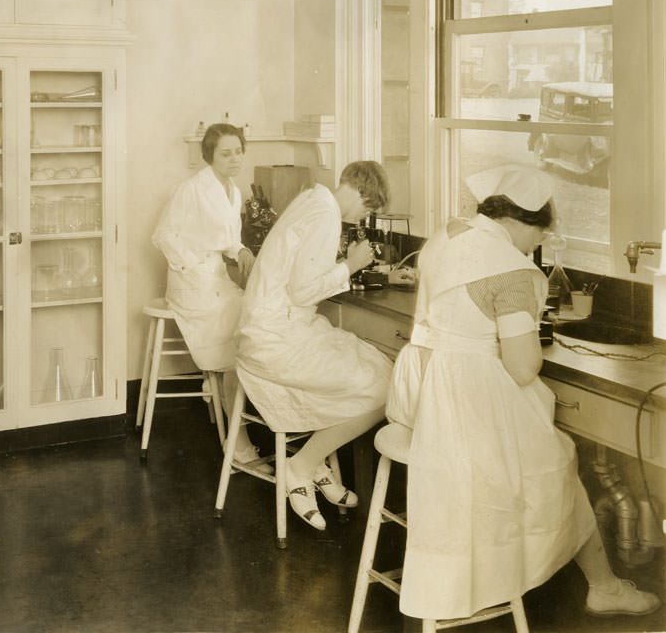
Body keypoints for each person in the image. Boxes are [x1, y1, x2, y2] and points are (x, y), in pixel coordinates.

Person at [386, 164, 661, 621]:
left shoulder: (449, 234)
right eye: (538, 237)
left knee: (548, 458)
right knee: (558, 460)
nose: (537, 248)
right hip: (463, 401)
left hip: (421, 394)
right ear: (521, 221)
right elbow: (522, 366)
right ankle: (602, 586)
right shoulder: (508, 271)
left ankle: (587, 582)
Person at [236, 161, 394, 531]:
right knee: (384, 386)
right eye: (368, 209)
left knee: (371, 364)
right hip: (276, 340)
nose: (362, 218)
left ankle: (315, 462)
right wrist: (351, 265)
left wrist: (342, 264)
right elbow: (304, 290)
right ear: (361, 193)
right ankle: (302, 466)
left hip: (269, 330)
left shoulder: (313, 197)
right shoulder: (325, 215)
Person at [152, 122, 261, 463]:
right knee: (234, 329)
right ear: (209, 156)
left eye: (238, 152)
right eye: (225, 154)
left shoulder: (234, 190)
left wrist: (241, 251)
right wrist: (194, 264)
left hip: (216, 279)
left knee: (253, 316)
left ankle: (217, 386)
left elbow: (226, 237)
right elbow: (163, 235)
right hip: (192, 283)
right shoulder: (192, 189)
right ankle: (237, 438)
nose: (234, 159)